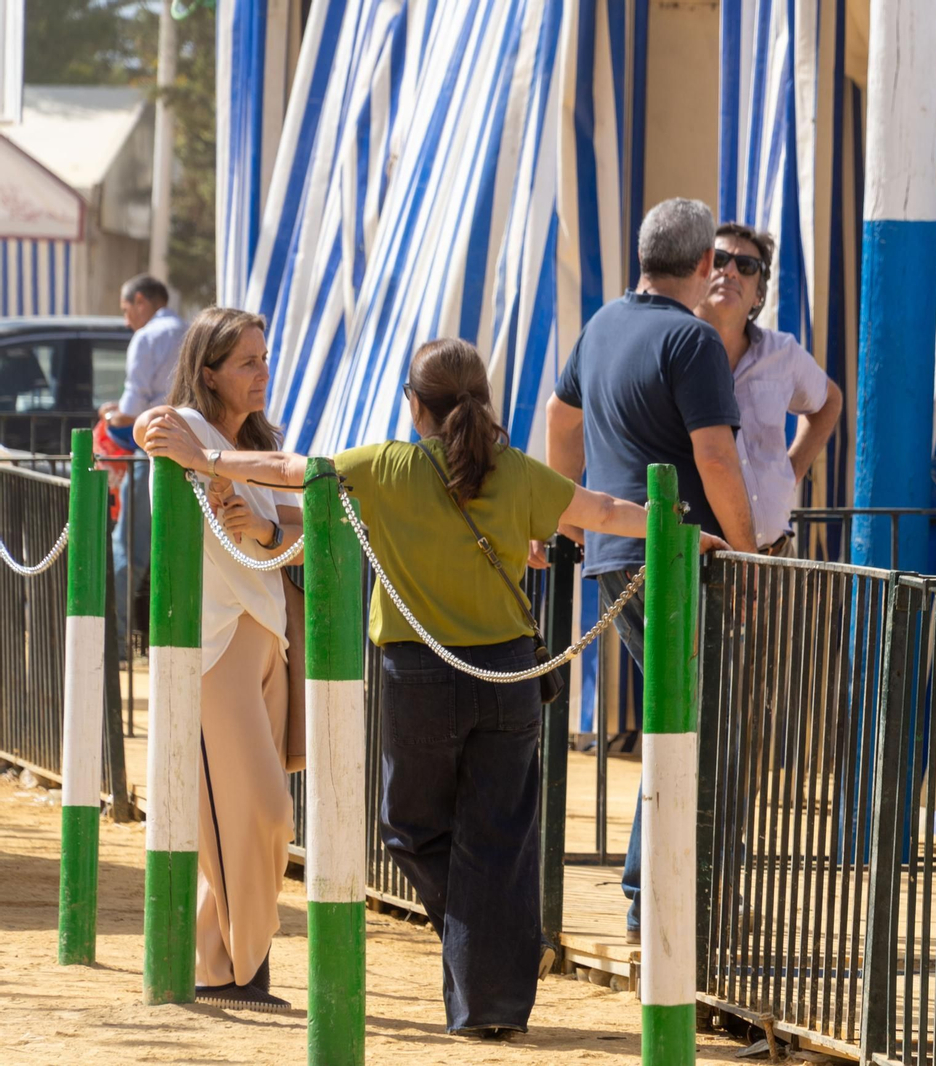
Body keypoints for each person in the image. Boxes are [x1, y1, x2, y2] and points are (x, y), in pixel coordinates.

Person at [141, 337, 726, 1038]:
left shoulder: (386, 465)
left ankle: (481, 944)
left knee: (410, 830)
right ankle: (493, 995)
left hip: (419, 672)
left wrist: (204, 459)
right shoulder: (513, 471)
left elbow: (293, 470)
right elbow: (602, 509)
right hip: (509, 674)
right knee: (502, 838)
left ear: (414, 404)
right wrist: (682, 533)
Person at [542, 196, 758, 943]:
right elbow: (716, 456)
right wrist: (750, 555)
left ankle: (654, 889)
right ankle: (662, 895)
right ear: (705, 265)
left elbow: (559, 420)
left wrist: (572, 519)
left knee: (678, 719)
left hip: (612, 556)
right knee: (696, 723)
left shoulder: (602, 324)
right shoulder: (692, 342)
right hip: (674, 557)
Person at [132, 308, 302, 1010]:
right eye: (247, 363)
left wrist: (268, 525)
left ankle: (230, 966)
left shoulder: (251, 444)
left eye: (265, 358)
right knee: (261, 812)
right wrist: (157, 430)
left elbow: (310, 513)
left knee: (245, 814)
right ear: (209, 371)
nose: (262, 373)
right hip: (216, 643)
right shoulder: (190, 429)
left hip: (268, 639)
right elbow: (152, 428)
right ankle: (230, 965)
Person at [696, 222, 843, 556]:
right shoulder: (673, 348)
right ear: (700, 273)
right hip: (698, 560)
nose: (730, 271)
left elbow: (829, 400)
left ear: (759, 293)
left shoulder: (782, 352)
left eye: (746, 266)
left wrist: (793, 470)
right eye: (719, 259)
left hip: (775, 554)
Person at [103, 274, 187, 656]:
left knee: (128, 551)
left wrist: (111, 414)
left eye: (126, 310)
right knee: (181, 554)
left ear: (140, 301)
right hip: (195, 458)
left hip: (152, 455)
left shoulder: (147, 338)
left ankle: (117, 643)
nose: (125, 321)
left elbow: (133, 410)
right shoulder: (190, 331)